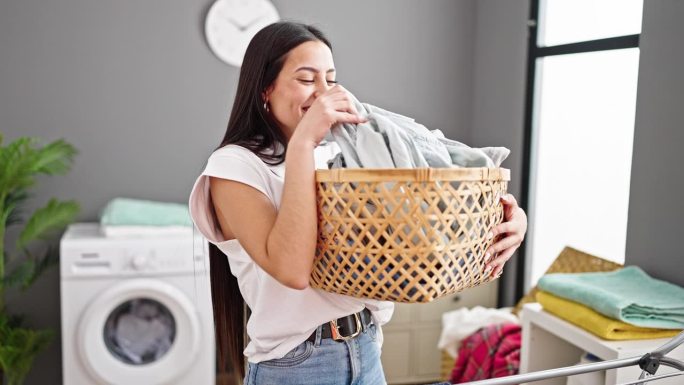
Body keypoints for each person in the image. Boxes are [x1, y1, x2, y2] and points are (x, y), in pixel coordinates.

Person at [189, 21, 527, 385]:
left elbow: (420, 214)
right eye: (306, 79)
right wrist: (303, 143)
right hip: (299, 364)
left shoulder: (339, 157)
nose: (323, 93)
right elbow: (292, 270)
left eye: (330, 80)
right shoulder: (234, 167)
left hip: (366, 349)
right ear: (265, 89)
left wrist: (509, 216)